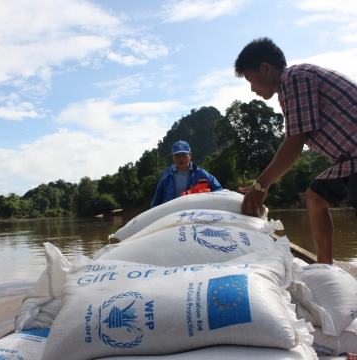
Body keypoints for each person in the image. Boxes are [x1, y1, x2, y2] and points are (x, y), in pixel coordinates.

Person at [234, 37, 357, 264]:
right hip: (347, 162)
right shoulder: (289, 88)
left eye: (251, 80)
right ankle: (324, 267)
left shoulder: (294, 79)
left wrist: (261, 185)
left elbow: (294, 145)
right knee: (315, 197)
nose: (252, 89)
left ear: (266, 68)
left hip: (354, 159)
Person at [150, 140, 222, 208]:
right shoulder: (167, 176)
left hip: (194, 211)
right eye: (177, 156)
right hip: (171, 213)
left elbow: (218, 189)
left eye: (184, 155)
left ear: (190, 155)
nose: (181, 158)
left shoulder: (201, 174)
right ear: (172, 157)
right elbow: (157, 198)